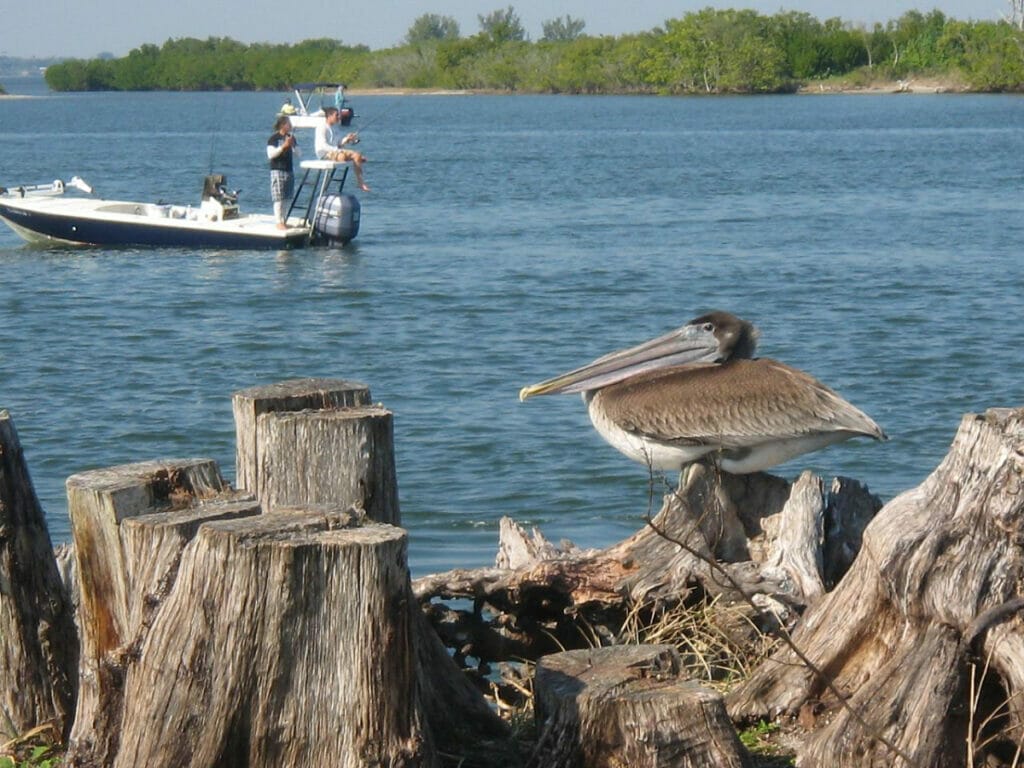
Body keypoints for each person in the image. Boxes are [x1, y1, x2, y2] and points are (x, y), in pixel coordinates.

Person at [315, 106, 370, 192]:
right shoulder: (322, 127)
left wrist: (347, 138)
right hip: (324, 154)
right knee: (342, 157)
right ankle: (328, 189)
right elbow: (323, 146)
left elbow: (339, 143)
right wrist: (338, 150)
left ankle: (360, 183)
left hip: (335, 151)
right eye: (336, 115)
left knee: (357, 155)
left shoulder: (335, 127)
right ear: (329, 116)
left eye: (338, 115)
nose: (339, 117)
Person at [267, 115, 299, 230]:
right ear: (282, 125)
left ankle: (284, 220)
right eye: (288, 123)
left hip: (289, 170)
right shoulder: (274, 139)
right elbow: (271, 155)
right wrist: (283, 146)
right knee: (278, 197)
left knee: (287, 197)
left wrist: (293, 145)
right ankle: (278, 221)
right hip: (277, 170)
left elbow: (299, 154)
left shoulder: (291, 138)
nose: (290, 126)